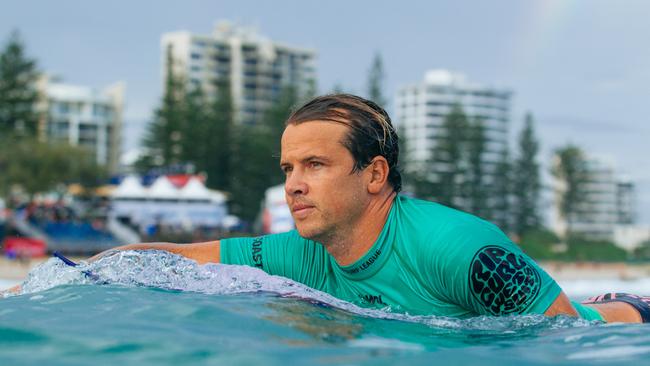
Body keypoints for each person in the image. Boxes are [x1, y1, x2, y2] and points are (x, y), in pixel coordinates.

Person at [6, 94, 649, 322]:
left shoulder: (463, 253)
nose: (293, 184)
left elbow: (561, 340)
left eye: (314, 165)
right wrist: (79, 275)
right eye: (288, 168)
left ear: (374, 175)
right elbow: (172, 256)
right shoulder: (297, 251)